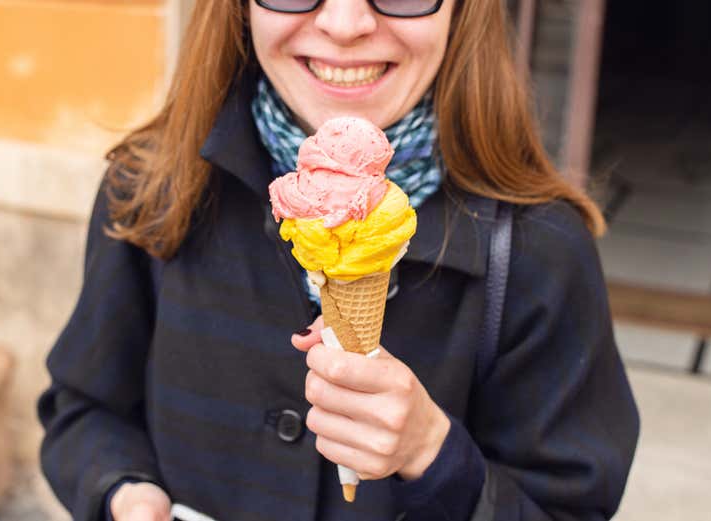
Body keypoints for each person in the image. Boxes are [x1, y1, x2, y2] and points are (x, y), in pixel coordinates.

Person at [38, 0, 640, 520]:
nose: (347, 23)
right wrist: (123, 491)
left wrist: (432, 454)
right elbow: (85, 411)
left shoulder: (541, 252)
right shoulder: (151, 188)